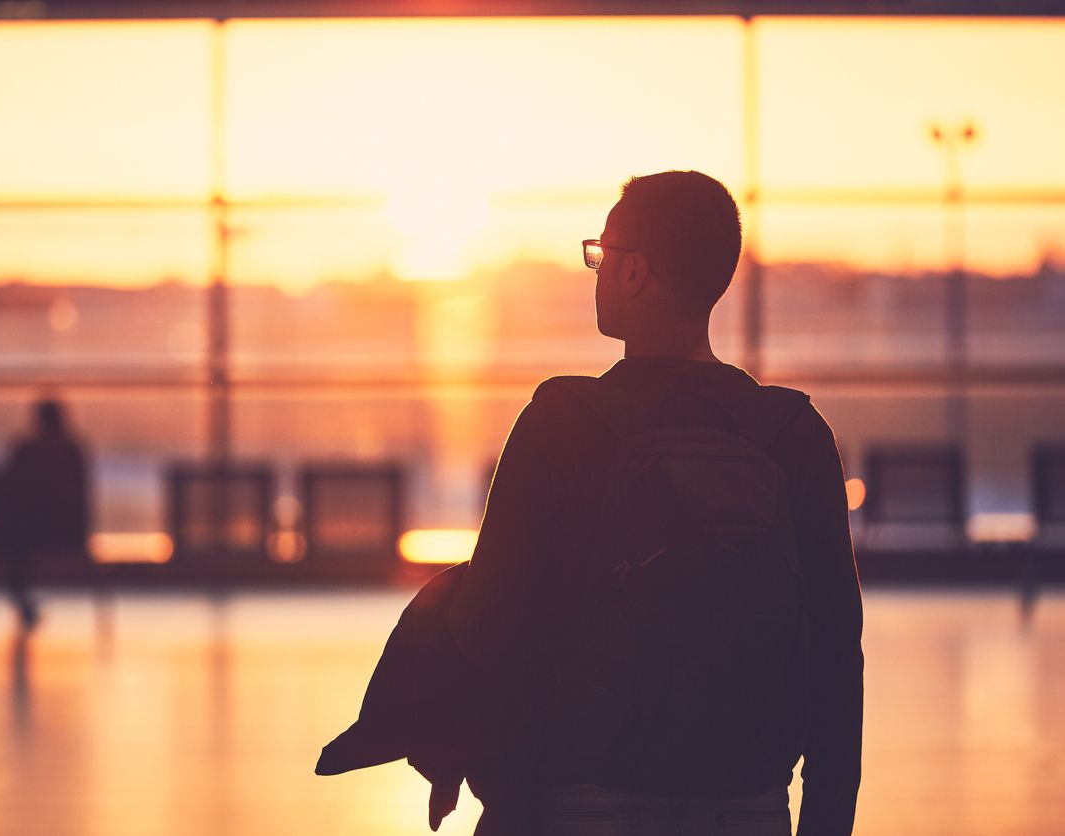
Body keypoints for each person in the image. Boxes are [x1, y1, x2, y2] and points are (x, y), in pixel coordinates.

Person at [319, 171, 863, 836]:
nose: (597, 272)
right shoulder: (790, 433)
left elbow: (494, 622)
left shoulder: (565, 420)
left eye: (601, 255)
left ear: (635, 271)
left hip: (583, 795)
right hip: (748, 799)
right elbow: (838, 650)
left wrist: (473, 760)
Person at [0, 398, 91, 629]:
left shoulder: (26, 450)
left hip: (34, 532)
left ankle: (21, 599)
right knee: (18, 536)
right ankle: (23, 601)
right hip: (63, 531)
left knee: (15, 538)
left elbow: (9, 485)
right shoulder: (73, 451)